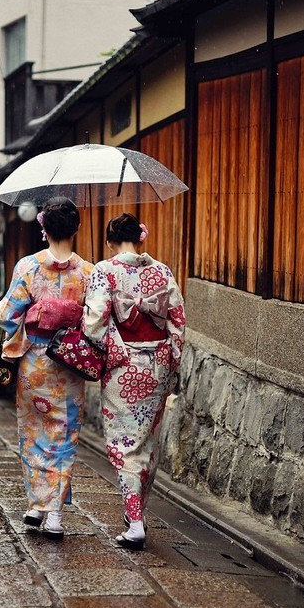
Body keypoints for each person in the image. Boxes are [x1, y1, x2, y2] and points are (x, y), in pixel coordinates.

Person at [83, 213, 185, 550]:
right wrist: (171, 360)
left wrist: (115, 348)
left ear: (111, 240)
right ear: (140, 239)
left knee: (124, 444)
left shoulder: (104, 271)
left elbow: (94, 324)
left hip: (123, 368)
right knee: (146, 444)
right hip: (156, 366)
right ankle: (135, 511)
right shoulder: (163, 271)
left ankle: (136, 521)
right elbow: (177, 321)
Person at [0, 197, 94, 540]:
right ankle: (52, 513)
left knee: (34, 432)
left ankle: (37, 503)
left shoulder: (28, 267)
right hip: (69, 364)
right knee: (64, 435)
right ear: (77, 229)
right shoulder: (88, 272)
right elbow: (95, 323)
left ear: (43, 228)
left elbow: (7, 315)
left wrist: (32, 323)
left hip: (36, 363)